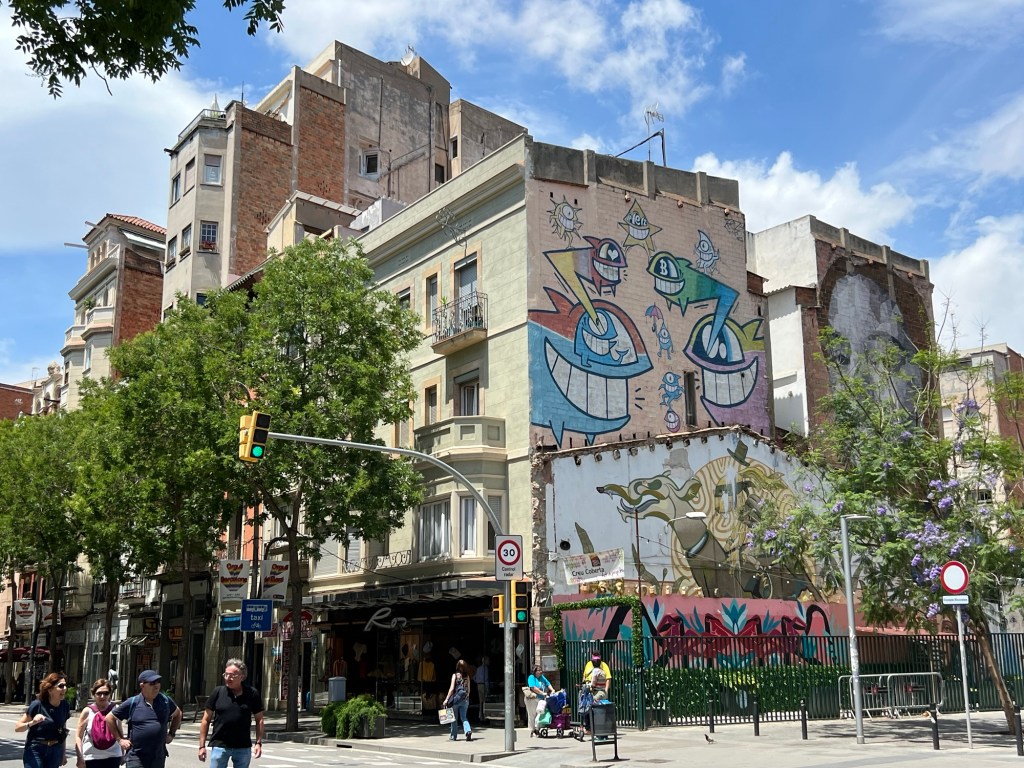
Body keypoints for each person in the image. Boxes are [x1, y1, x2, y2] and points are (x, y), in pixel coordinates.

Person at [106, 671, 182, 768]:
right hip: (136, 758)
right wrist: (120, 740)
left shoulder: (165, 701)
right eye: (152, 683)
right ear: (142, 685)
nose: (156, 686)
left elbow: (178, 714)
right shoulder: (133, 702)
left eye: (158, 682)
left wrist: (171, 734)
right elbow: (109, 718)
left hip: (158, 758)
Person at [198, 658, 265, 768]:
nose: (228, 678)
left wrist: (258, 743)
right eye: (226, 674)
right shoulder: (218, 692)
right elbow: (205, 719)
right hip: (220, 745)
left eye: (232, 675)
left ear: (242, 677)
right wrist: (201, 746)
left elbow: (260, 720)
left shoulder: (252, 694)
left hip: (243, 746)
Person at [15, 671, 71, 768]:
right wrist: (32, 722)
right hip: (36, 749)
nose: (64, 688)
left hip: (55, 750)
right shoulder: (37, 705)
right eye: (61, 686)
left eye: (65, 685)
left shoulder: (64, 706)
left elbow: (62, 730)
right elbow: (18, 727)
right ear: (50, 690)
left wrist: (63, 753)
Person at [74, 678, 122, 768]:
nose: (102, 696)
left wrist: (122, 752)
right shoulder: (87, 711)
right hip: (92, 757)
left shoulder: (116, 709)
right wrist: (79, 757)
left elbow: (120, 732)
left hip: (113, 755)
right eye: (99, 693)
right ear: (93, 694)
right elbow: (78, 736)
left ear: (110, 694)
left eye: (106, 693)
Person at [442, 659, 472, 742]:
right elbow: (469, 690)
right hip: (465, 700)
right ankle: (468, 731)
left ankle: (453, 736)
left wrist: (446, 699)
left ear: (457, 666)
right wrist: (466, 698)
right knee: (464, 717)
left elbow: (451, 689)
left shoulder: (455, 675)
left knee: (454, 718)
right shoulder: (467, 676)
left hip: (455, 700)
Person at [526, 664, 554, 737]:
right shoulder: (531, 677)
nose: (541, 671)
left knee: (539, 713)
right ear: (534, 671)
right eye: (539, 670)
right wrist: (542, 693)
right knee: (532, 715)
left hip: (540, 699)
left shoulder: (542, 677)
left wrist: (552, 690)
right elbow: (533, 688)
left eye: (541, 670)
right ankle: (532, 730)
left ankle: (537, 729)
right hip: (532, 699)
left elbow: (548, 683)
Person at [472, 656, 489, 724]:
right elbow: (486, 678)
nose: (489, 662)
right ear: (485, 661)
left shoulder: (478, 668)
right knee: (485, 701)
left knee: (481, 701)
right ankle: (484, 716)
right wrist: (488, 688)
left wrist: (477, 681)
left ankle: (480, 716)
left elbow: (474, 677)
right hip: (484, 685)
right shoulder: (485, 668)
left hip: (479, 685)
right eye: (488, 660)